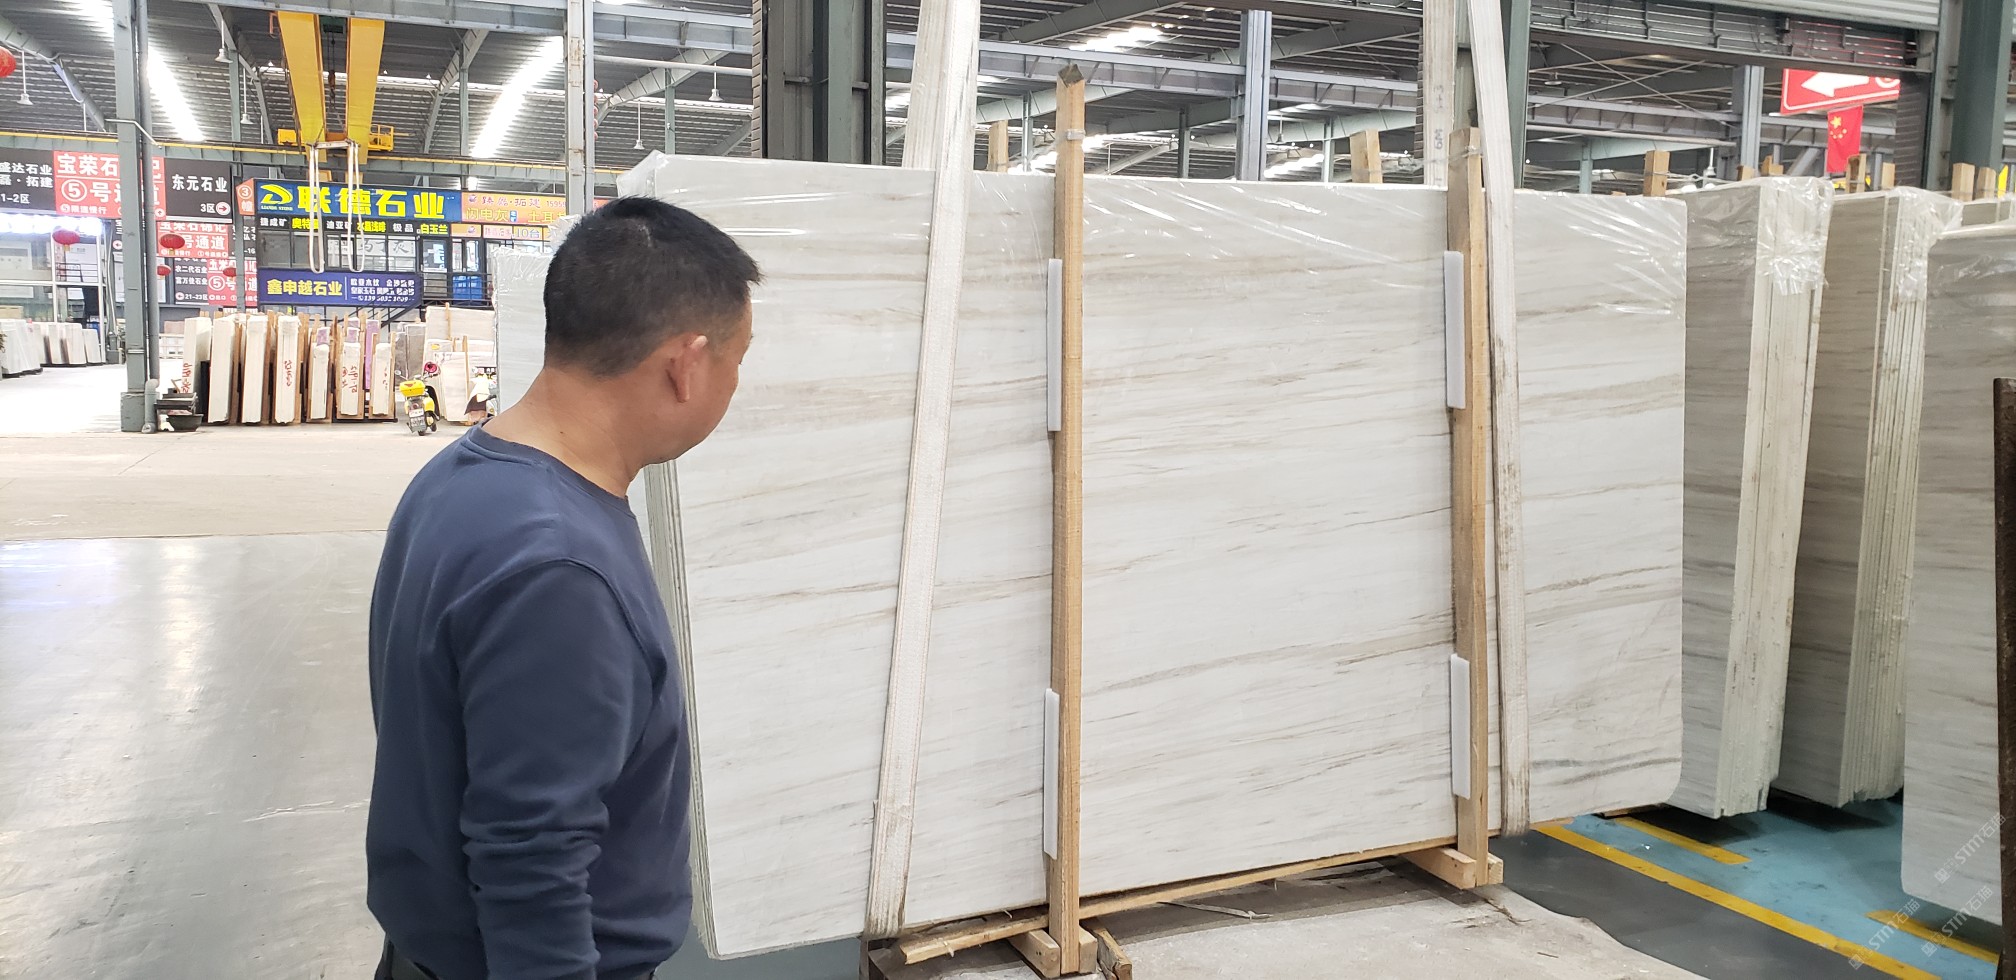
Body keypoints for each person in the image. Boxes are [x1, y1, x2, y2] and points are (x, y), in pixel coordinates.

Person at [366, 197, 760, 980]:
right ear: (686, 364)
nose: (735, 380)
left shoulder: (462, 477)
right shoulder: (559, 568)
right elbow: (531, 862)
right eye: (737, 358)